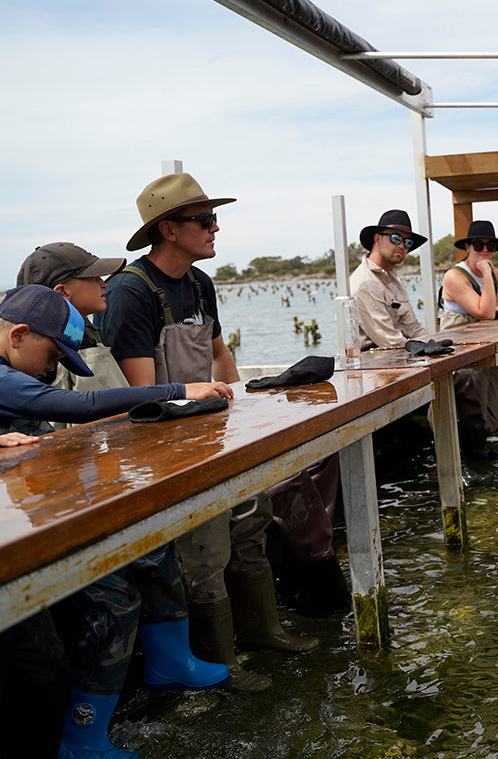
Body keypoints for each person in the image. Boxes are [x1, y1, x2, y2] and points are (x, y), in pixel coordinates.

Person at [96, 172, 317, 693]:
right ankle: (220, 663)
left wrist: (244, 413)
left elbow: (219, 353)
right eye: (204, 220)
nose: (216, 228)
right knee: (204, 549)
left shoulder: (200, 283)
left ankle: (262, 630)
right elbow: (139, 391)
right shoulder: (133, 290)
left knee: (253, 517)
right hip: (164, 443)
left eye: (214, 218)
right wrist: (192, 405)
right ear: (168, 229)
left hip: (213, 431)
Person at [17, 244, 232, 759]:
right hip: (47, 502)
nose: (107, 284)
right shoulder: (27, 354)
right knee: (115, 602)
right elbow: (76, 405)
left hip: (100, 479)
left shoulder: (85, 335)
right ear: (60, 294)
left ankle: (171, 665)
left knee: (158, 552)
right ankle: (84, 737)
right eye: (95, 278)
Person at [439, 220, 498, 454]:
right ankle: (469, 451)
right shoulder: (454, 276)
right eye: (479, 245)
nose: (485, 251)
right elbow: (483, 312)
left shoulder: (491, 272)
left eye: (490, 246)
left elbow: (490, 309)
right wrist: (487, 275)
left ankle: (485, 447)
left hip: (485, 341)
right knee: (473, 402)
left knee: (491, 404)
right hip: (461, 346)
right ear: (468, 246)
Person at [349, 209, 429, 349]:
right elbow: (390, 341)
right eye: (396, 238)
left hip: (398, 358)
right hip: (373, 365)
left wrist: (434, 346)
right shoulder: (365, 282)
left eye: (407, 242)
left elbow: (413, 328)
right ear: (377, 238)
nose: (402, 246)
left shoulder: (392, 279)